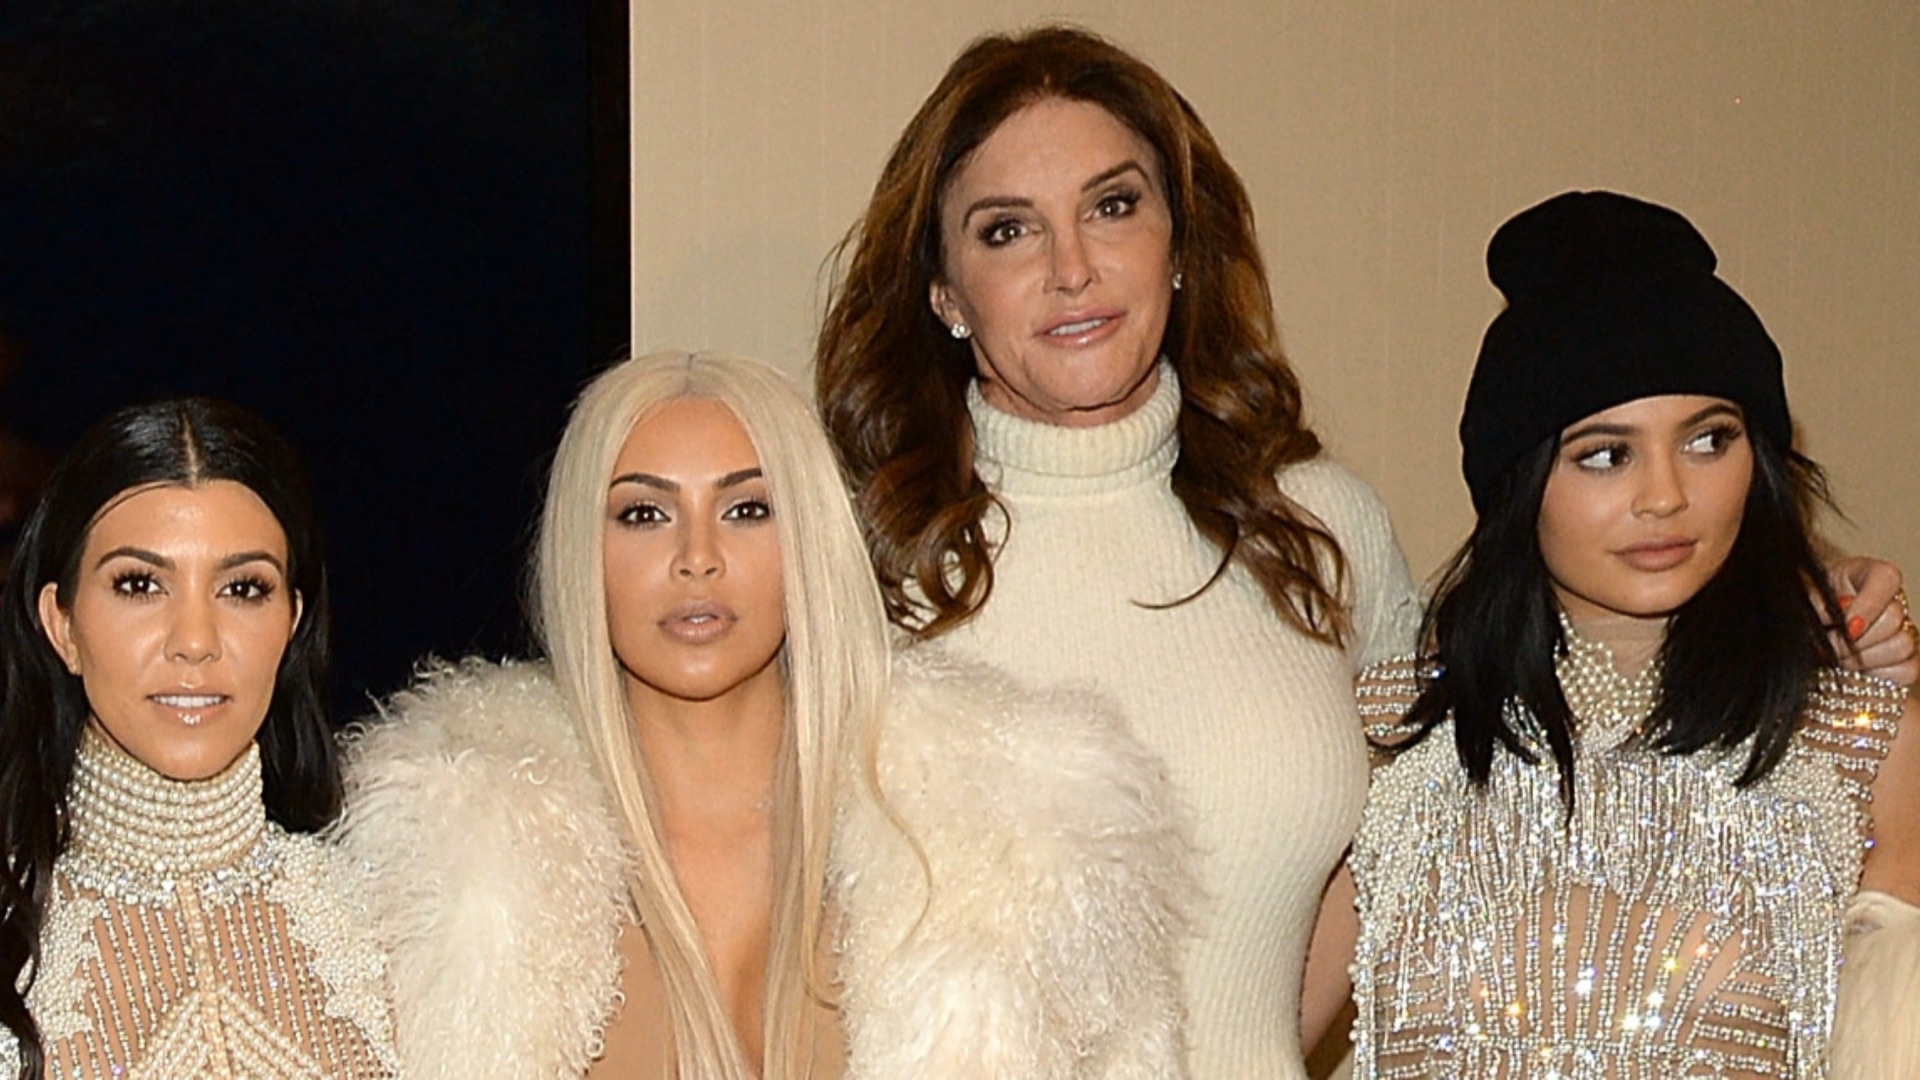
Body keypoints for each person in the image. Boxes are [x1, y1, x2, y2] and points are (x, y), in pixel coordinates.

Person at [813, 25, 1919, 1077]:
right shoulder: (861, 568)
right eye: (1007, 229)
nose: (1073, 267)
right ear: (943, 291)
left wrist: (1796, 600)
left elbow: (1503, 721)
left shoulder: (1317, 531)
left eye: (1113, 205)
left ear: (1181, 244)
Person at [336, 351, 1192, 1079]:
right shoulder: (451, 873)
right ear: (580, 552)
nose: (696, 558)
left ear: (808, 538)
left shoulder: (1017, 849)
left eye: (747, 509)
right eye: (644, 513)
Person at [1346, 191, 1920, 1078]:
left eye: (1709, 440)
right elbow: (1235, 1018)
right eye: (1606, 453)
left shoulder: (1858, 739)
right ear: (1518, 484)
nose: (1664, 496)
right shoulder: (1390, 736)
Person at [0, 398, 396, 1079]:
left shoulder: (410, 923)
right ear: (62, 626)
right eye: (139, 584)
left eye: (243, 589)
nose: (194, 640)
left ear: (292, 623)